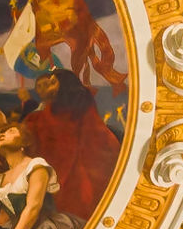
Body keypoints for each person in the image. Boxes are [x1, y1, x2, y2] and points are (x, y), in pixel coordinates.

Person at [19, 70, 120, 220]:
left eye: (52, 83)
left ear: (66, 85)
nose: (47, 89)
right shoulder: (38, 117)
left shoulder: (80, 107)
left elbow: (89, 136)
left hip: (80, 172)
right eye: (40, 86)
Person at [0, 123, 82, 229]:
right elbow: (4, 215)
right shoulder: (1, 178)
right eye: (1, 133)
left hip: (40, 227)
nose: (2, 134)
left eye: (11, 131)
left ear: (23, 143)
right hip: (13, 228)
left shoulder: (35, 165)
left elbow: (33, 208)